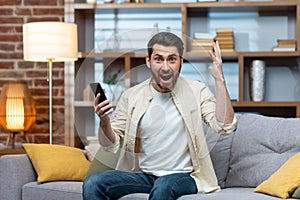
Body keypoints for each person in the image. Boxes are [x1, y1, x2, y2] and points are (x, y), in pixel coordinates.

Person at [82, 32, 237, 200]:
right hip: (144, 176)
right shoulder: (131, 96)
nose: (165, 67)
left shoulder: (197, 90)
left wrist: (220, 80)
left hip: (184, 176)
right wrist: (104, 122)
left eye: (172, 59)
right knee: (93, 182)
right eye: (158, 59)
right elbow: (111, 146)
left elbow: (225, 126)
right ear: (148, 61)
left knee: (164, 186)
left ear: (181, 62)